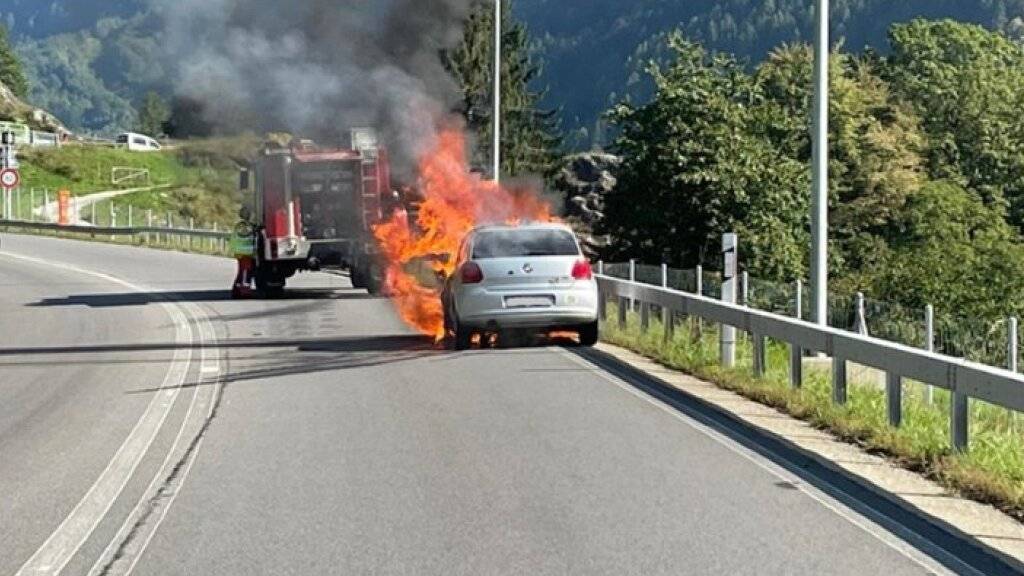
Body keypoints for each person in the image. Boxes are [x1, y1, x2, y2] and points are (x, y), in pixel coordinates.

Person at [230, 211, 257, 299]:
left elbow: (233, 238)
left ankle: (237, 290)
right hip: (247, 252)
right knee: (246, 272)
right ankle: (244, 291)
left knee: (241, 271)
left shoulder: (238, 226)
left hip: (239, 251)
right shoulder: (249, 227)